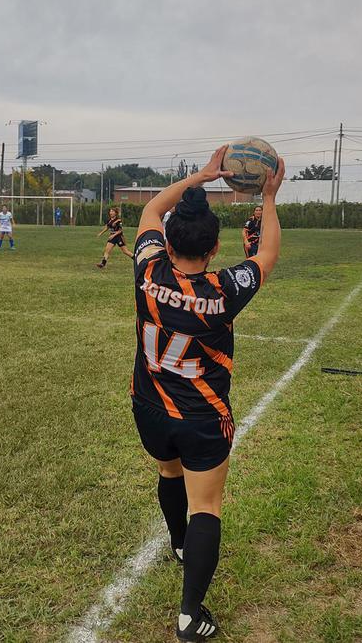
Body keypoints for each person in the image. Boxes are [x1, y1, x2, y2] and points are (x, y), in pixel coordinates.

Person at [128, 145, 284, 641]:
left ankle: (177, 544)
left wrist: (201, 176)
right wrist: (270, 197)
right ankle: (190, 614)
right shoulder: (222, 292)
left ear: (166, 242)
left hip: (149, 406)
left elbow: (151, 209)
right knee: (207, 507)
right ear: (215, 249)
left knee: (167, 472)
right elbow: (267, 255)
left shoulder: (147, 270)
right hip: (202, 417)